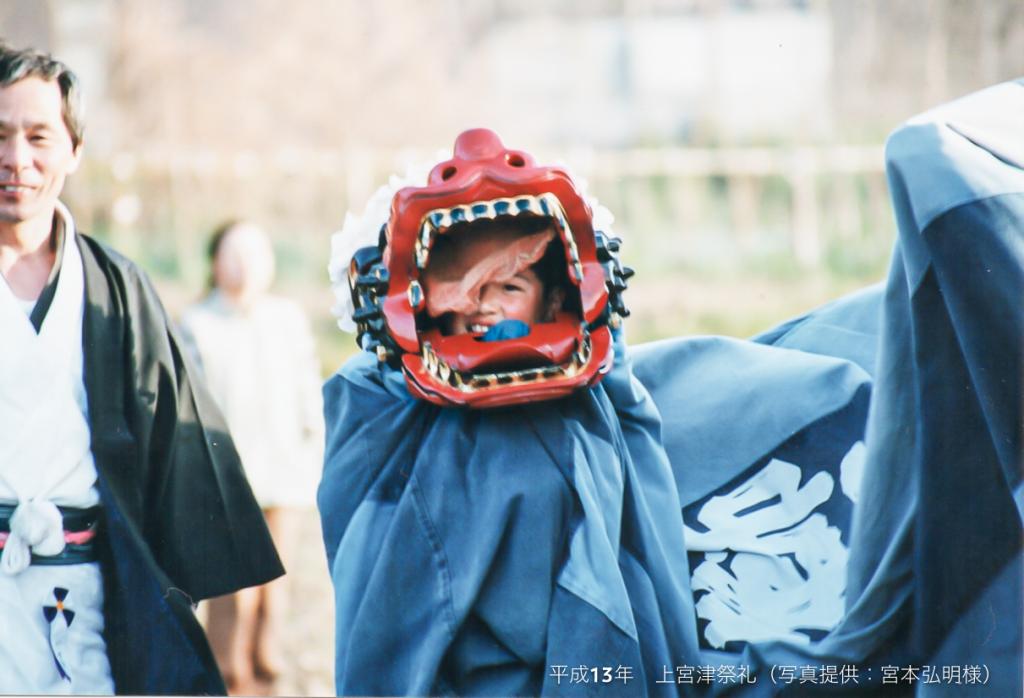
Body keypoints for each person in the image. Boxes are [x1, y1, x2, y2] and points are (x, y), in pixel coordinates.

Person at [322, 95, 1021, 696]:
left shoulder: (606, 406)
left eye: (508, 285)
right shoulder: (389, 419)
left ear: (559, 293)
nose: (484, 309)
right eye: (463, 290)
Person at [0, 43, 283, 694]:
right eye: (1, 136)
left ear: (72, 150)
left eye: (39, 136)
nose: (18, 159)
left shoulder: (116, 290)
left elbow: (174, 449)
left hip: (95, 583)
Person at [179, 220, 324, 694]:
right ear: (215, 262)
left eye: (255, 254)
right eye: (233, 254)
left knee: (275, 581)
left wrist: (312, 447)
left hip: (284, 470)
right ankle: (227, 672)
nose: (244, 265)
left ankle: (267, 663)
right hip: (225, 479)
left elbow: (308, 389)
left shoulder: (287, 319)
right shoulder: (196, 324)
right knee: (230, 588)